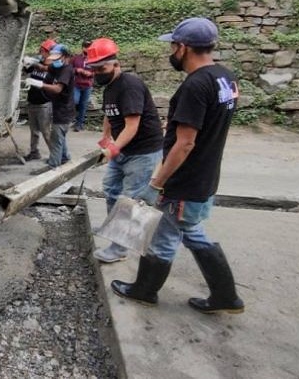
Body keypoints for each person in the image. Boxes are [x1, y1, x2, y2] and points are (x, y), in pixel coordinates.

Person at [111, 18, 244, 314]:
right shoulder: (226, 77)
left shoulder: (195, 86)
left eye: (172, 45)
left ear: (183, 48)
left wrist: (157, 182)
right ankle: (226, 296)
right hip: (206, 175)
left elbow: (185, 143)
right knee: (192, 231)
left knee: (163, 236)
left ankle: (145, 290)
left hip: (185, 179)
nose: (170, 52)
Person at [85, 38, 164, 263]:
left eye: (102, 68)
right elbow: (110, 114)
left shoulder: (129, 85)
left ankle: (119, 249)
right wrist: (106, 137)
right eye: (94, 69)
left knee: (133, 200)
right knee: (111, 189)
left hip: (143, 151)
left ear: (116, 64)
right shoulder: (109, 87)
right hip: (124, 148)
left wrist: (112, 149)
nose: (98, 73)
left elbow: (132, 125)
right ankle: (115, 228)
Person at [26, 44, 75, 170]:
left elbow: (58, 89)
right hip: (57, 107)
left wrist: (40, 84)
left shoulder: (67, 70)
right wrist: (33, 62)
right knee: (60, 137)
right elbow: (44, 68)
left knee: (55, 139)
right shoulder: (57, 66)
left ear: (65, 56)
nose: (54, 61)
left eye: (57, 58)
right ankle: (65, 158)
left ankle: (53, 166)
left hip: (64, 110)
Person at [22, 38, 56, 161]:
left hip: (44, 104)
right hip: (32, 101)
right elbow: (26, 69)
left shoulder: (53, 68)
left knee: (46, 132)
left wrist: (37, 65)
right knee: (34, 131)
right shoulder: (37, 64)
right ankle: (34, 152)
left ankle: (55, 155)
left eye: (43, 51)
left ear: (49, 53)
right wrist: (26, 63)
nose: (41, 53)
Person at [72, 40, 94, 132]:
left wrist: (90, 73)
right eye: (86, 46)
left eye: (89, 47)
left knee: (83, 105)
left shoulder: (94, 59)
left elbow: (97, 71)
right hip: (76, 84)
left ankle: (79, 124)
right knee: (75, 101)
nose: (87, 48)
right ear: (82, 47)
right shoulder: (76, 58)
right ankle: (74, 118)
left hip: (87, 85)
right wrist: (77, 70)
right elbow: (69, 68)